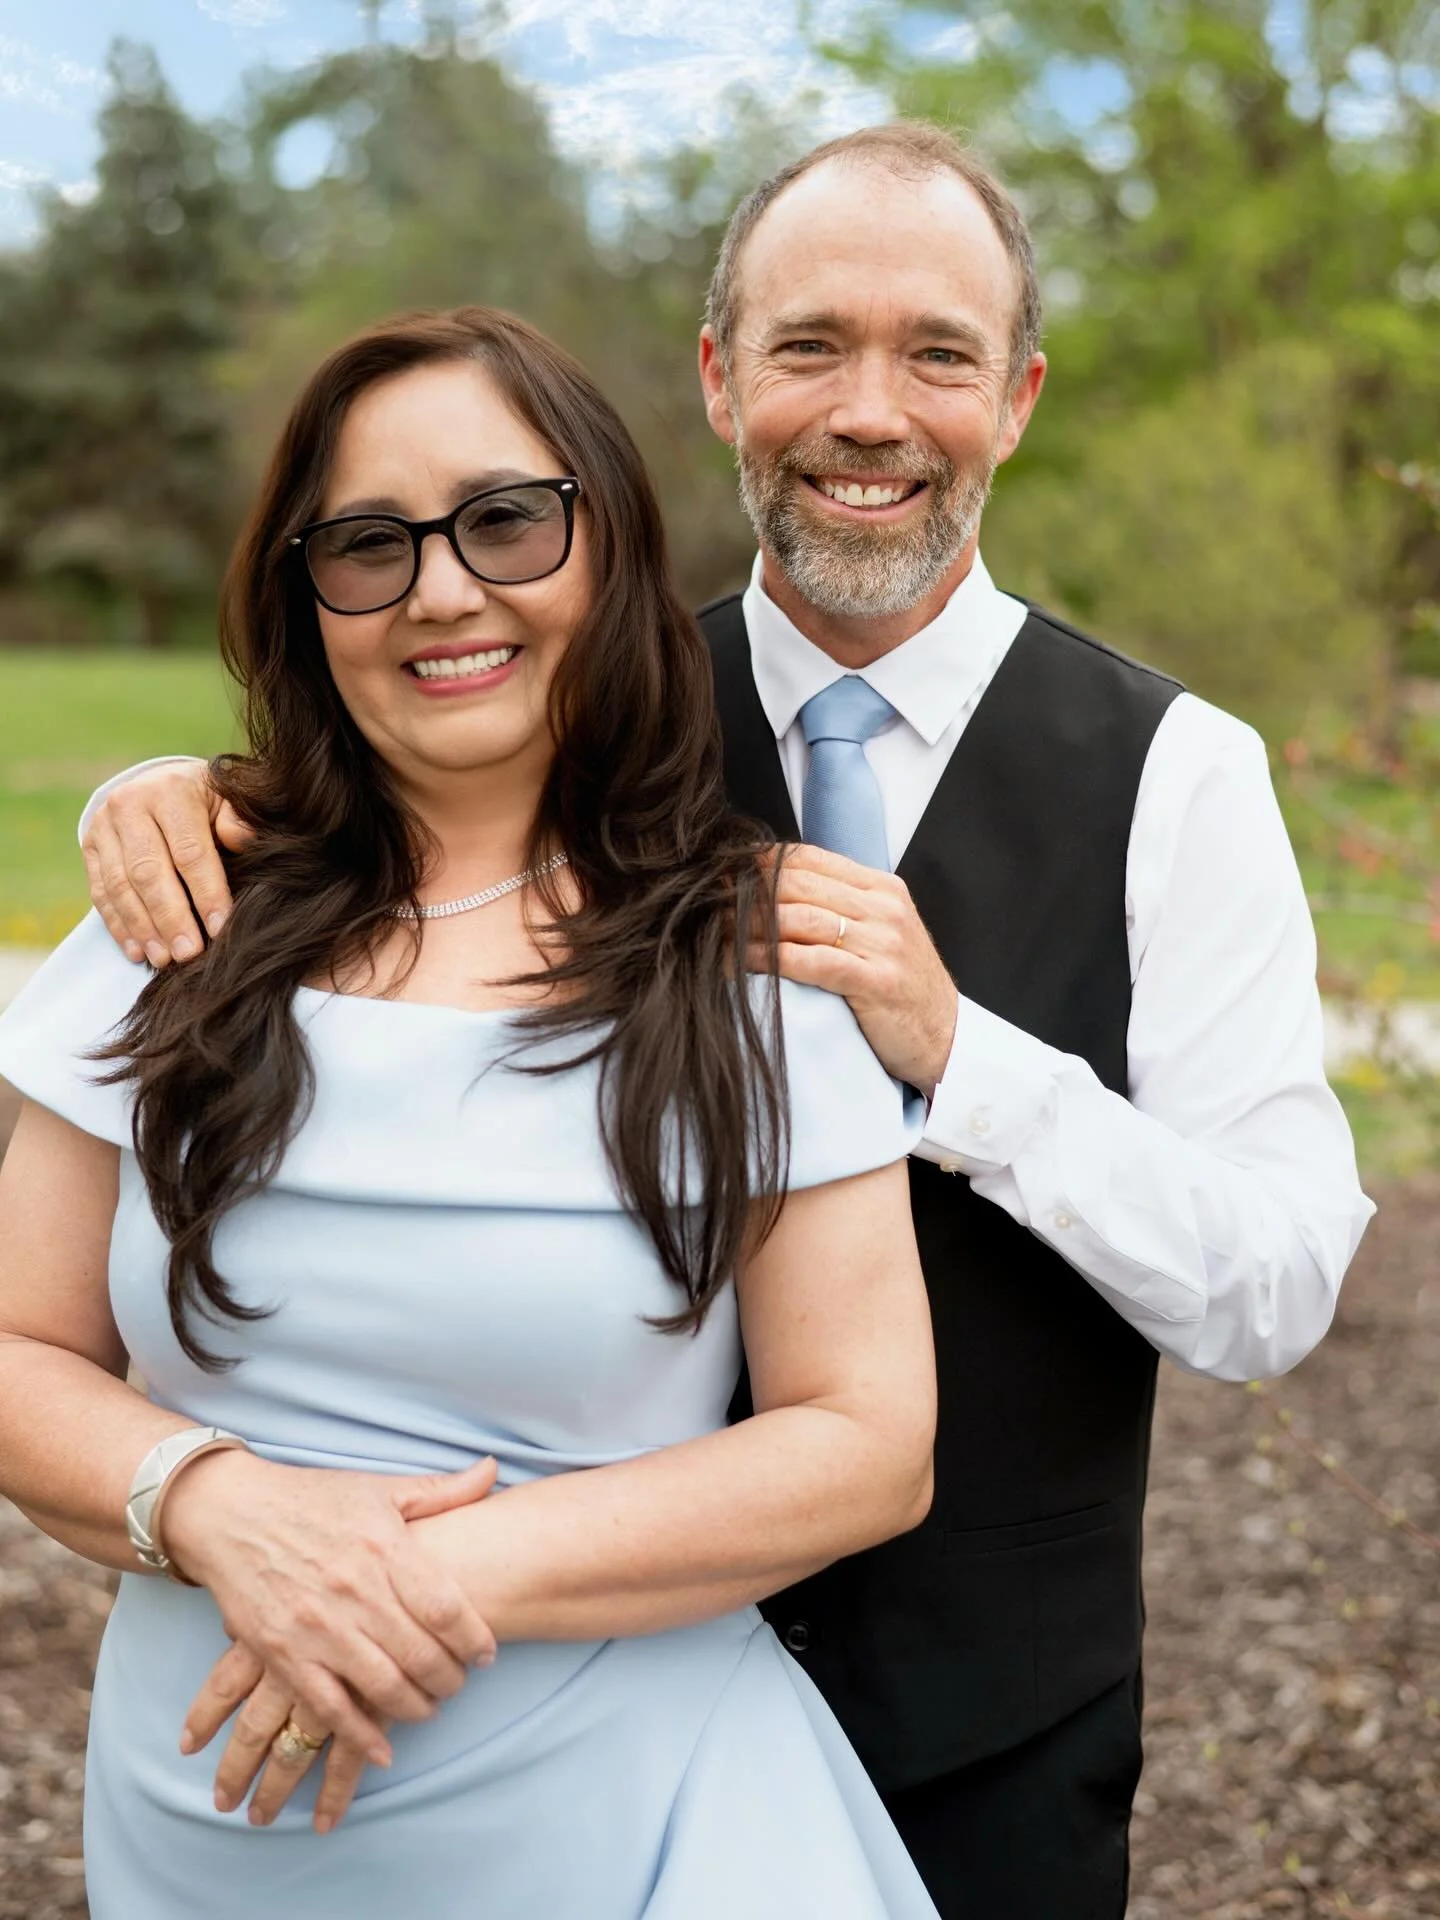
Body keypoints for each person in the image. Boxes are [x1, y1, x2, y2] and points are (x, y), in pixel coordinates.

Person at [74, 122, 1375, 1917]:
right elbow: (365, 811)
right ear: (716, 379)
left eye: (937, 354)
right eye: (808, 347)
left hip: (988, 1703)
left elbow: (1280, 1286)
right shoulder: (558, 689)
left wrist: (961, 1057)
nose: (870, 412)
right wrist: (160, 795)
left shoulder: (1177, 774)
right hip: (514, 1693)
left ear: (1019, 398)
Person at [0, 306, 945, 1919]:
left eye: (505, 519)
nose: (442, 589)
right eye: (368, 544)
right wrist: (225, 1513)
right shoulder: (174, 919)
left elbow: (867, 1444)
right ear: (306, 603)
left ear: (608, 548)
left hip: (649, 1830)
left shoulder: (749, 953)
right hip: (203, 1836)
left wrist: (406, 1580)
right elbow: (18, 1350)